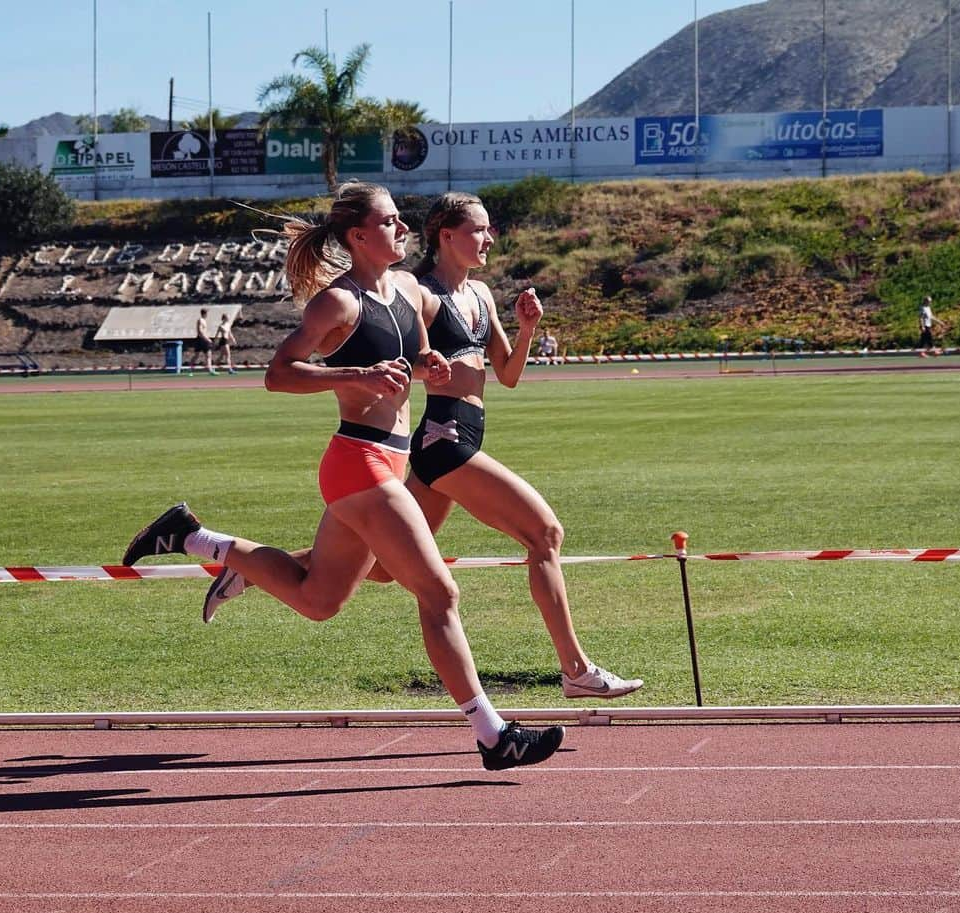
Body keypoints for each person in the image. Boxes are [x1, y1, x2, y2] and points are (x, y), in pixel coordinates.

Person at [123, 182, 564, 771]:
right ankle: (493, 735)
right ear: (359, 236)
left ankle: (193, 537)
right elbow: (279, 374)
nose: (404, 229)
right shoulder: (338, 303)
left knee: (319, 600)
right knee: (439, 592)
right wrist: (351, 373)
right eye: (390, 222)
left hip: (393, 457)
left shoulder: (408, 287)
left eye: (401, 221)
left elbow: (421, 357)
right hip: (359, 463)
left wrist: (429, 364)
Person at [210, 191, 642, 702]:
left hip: (463, 433)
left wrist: (527, 330)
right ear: (448, 235)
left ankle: (256, 568)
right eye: (478, 230)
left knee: (388, 568)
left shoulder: (480, 295)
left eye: (489, 229)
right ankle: (576, 669)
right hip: (444, 442)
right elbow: (373, 334)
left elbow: (507, 375)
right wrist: (368, 371)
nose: (489, 238)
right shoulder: (421, 292)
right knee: (544, 532)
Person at [194, 308, 215, 374]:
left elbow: (204, 331)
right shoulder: (200, 320)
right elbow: (200, 331)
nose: (207, 314)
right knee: (197, 355)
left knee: (208, 354)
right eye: (207, 313)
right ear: (204, 313)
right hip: (201, 339)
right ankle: (190, 369)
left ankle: (210, 370)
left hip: (204, 339)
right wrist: (207, 339)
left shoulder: (204, 320)